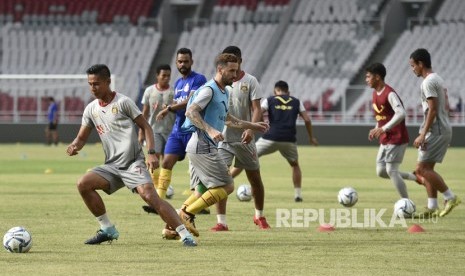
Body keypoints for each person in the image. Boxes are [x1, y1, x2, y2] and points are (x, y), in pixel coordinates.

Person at [66, 64, 197, 246]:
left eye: (96, 83)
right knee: (83, 184)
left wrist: (151, 153)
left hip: (132, 163)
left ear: (108, 82)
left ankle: (184, 234)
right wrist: (74, 146)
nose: (93, 88)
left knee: (150, 197)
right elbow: (81, 138)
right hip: (111, 166)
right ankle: (107, 229)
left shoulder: (123, 102)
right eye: (90, 84)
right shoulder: (91, 109)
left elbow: (146, 126)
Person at [176, 53, 269, 237]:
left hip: (202, 146)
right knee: (227, 186)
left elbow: (227, 119)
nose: (235, 75)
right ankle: (186, 214)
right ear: (220, 69)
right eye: (232, 71)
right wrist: (210, 130)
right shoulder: (208, 90)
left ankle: (172, 226)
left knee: (200, 190)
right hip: (202, 145)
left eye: (236, 70)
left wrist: (252, 125)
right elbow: (191, 112)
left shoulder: (224, 91)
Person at [212, 46, 270, 231]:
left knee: (255, 178)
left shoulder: (250, 81)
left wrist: (251, 130)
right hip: (223, 139)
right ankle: (221, 222)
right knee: (221, 178)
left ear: (240, 61)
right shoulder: (219, 83)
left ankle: (259, 216)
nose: (233, 68)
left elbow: (257, 109)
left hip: (245, 138)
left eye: (236, 62)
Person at [231, 80, 318, 202]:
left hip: (270, 138)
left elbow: (258, 111)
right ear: (288, 92)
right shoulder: (297, 102)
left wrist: (261, 124)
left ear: (275, 91)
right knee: (294, 165)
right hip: (289, 139)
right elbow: (307, 119)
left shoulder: (270, 100)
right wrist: (311, 137)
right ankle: (298, 195)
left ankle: (226, 182)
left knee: (246, 160)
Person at [408, 48, 460, 218]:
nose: (412, 69)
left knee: (422, 169)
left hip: (435, 130)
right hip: (441, 130)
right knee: (425, 168)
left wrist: (423, 133)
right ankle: (432, 207)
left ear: (420, 64)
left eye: (413, 65)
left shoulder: (428, 82)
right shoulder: (438, 79)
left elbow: (433, 110)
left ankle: (450, 197)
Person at [365, 62, 420, 199]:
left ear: (377, 77)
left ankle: (406, 203)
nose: (366, 80)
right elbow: (382, 117)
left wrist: (383, 128)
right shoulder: (375, 94)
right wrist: (377, 128)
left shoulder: (389, 93)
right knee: (381, 171)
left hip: (397, 137)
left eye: (368, 77)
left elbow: (401, 113)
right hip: (386, 138)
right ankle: (414, 177)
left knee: (391, 170)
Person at [138, 64, 175, 198]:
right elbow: (145, 113)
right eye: (163, 75)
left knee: (167, 161)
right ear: (157, 76)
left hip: (171, 131)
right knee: (155, 157)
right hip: (154, 130)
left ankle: (161, 187)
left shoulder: (173, 91)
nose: (166, 78)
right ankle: (154, 187)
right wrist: (141, 132)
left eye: (168, 76)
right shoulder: (149, 91)